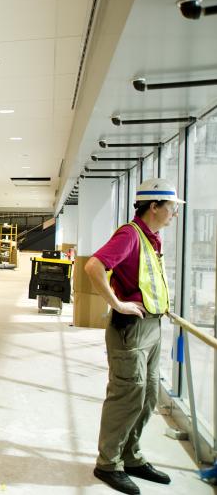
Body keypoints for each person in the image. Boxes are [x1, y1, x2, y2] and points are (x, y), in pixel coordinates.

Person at [84, 178, 183, 494]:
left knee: (148, 395)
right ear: (154, 206)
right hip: (132, 331)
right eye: (171, 208)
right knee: (127, 395)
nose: (174, 214)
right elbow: (94, 266)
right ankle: (108, 463)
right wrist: (116, 304)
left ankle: (132, 455)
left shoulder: (152, 238)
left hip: (152, 327)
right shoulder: (130, 234)